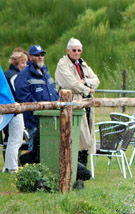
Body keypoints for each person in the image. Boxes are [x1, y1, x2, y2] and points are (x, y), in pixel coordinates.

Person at [55, 37, 100, 182]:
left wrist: (85, 82)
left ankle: (83, 173)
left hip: (86, 104)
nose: (76, 52)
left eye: (79, 50)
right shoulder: (63, 64)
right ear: (68, 51)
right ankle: (73, 173)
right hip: (72, 105)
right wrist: (87, 88)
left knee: (86, 139)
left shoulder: (83, 64)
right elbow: (70, 83)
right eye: (73, 50)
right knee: (75, 138)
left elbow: (96, 80)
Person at [14, 44, 60, 163]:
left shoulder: (45, 71)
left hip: (52, 119)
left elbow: (53, 92)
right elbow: (24, 98)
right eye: (36, 55)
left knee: (51, 151)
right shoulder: (23, 75)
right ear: (30, 57)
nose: (40, 57)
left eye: (42, 55)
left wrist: (57, 104)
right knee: (35, 151)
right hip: (35, 121)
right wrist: (43, 110)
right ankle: (34, 177)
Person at [2, 50, 28, 173]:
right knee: (15, 140)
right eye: (23, 63)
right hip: (14, 111)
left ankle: (8, 166)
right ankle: (12, 167)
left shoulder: (7, 73)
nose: (25, 66)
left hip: (7, 110)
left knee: (10, 140)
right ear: (16, 63)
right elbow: (18, 92)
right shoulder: (14, 76)